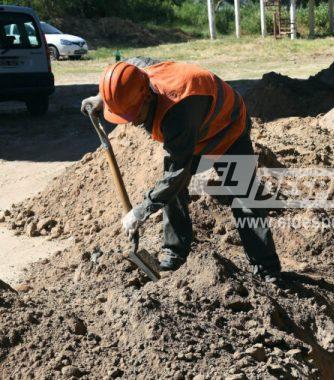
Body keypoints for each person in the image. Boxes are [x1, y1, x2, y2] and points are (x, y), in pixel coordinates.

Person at [81, 59, 281, 282]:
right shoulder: (138, 76)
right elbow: (124, 71)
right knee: (171, 191)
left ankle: (267, 269)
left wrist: (142, 210)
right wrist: (104, 98)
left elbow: (177, 175)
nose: (132, 123)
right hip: (194, 126)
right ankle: (175, 252)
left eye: (133, 115)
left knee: (243, 196)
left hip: (227, 126)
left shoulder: (178, 114)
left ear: (147, 97)